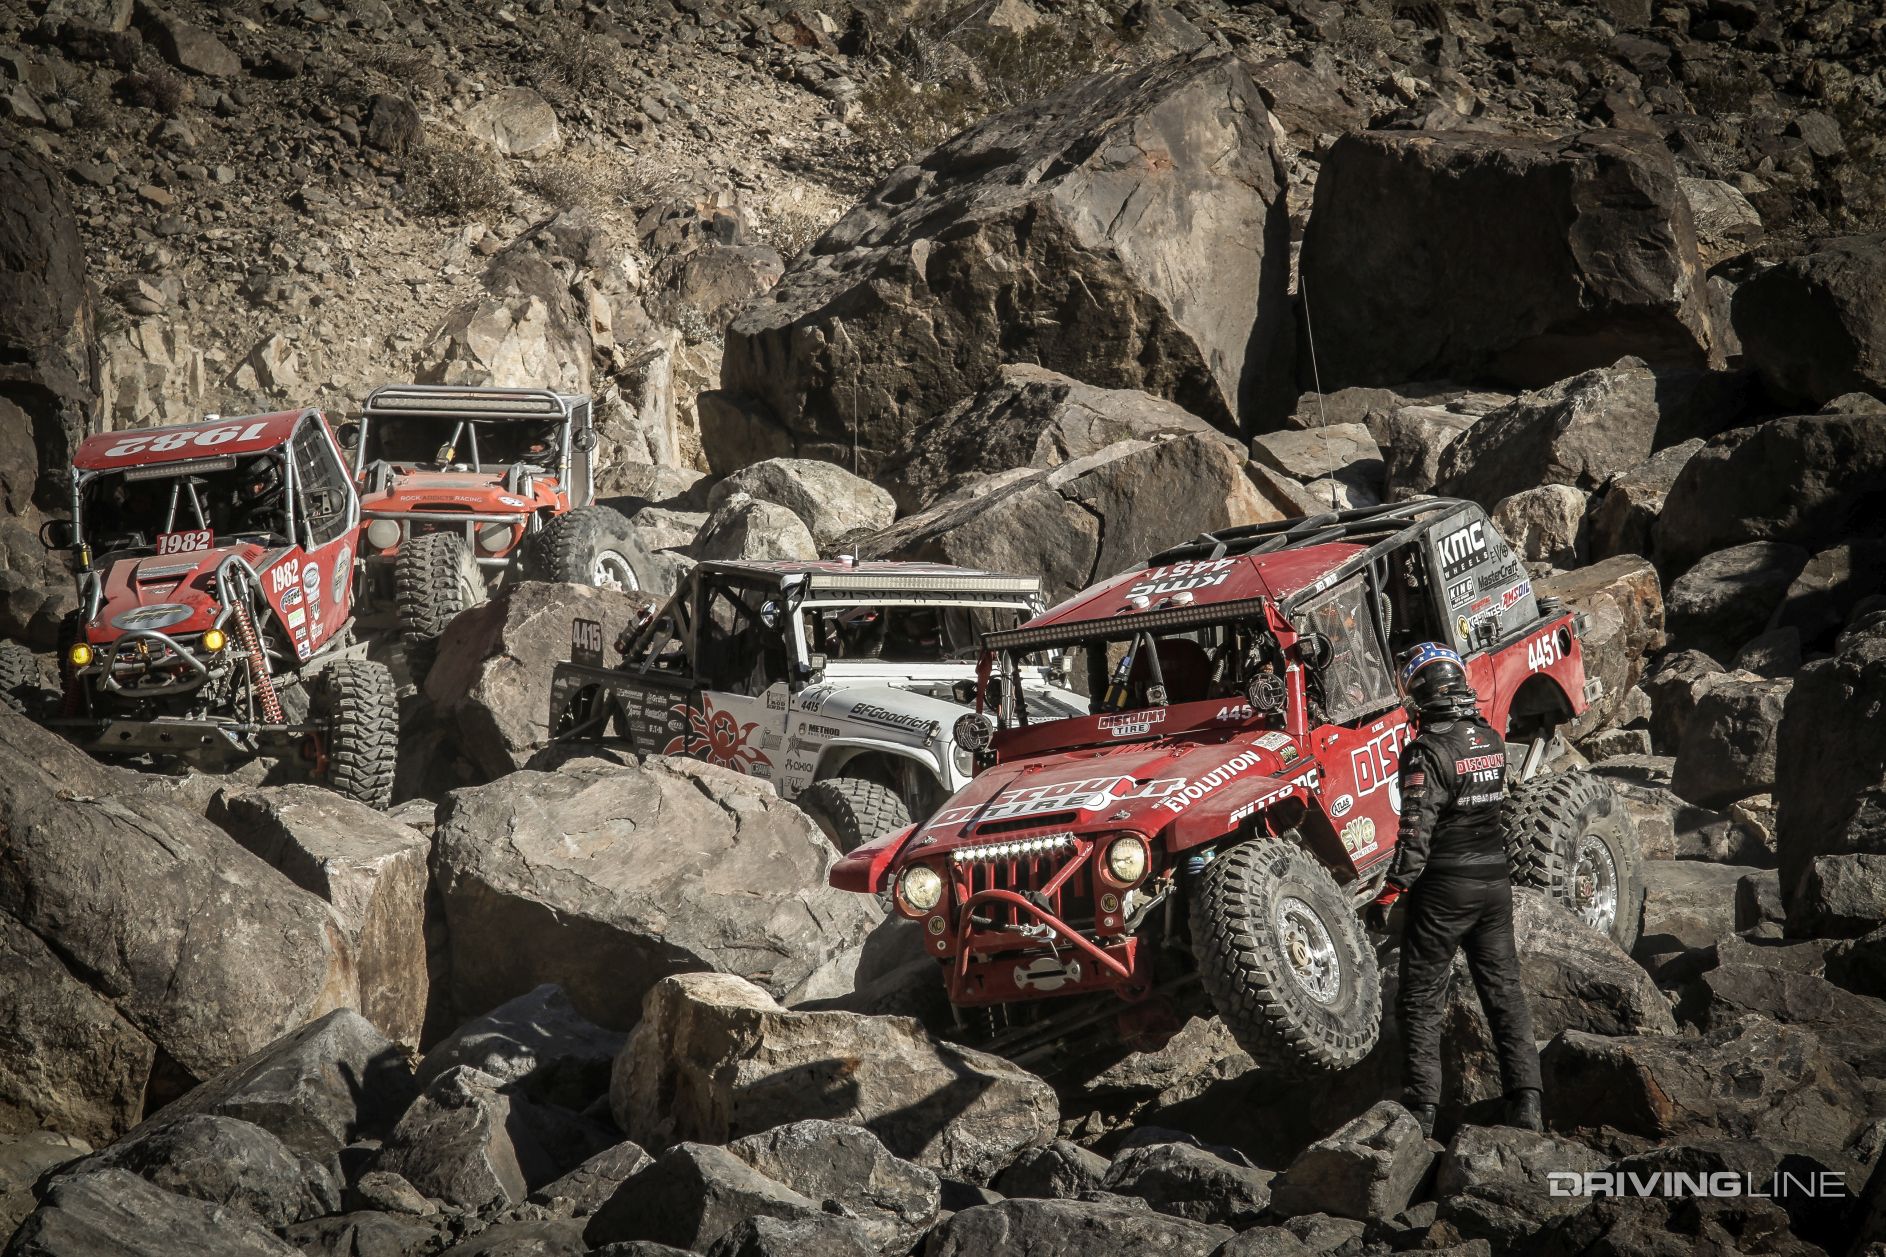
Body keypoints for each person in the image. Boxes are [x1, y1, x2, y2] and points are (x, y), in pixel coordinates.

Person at [1365, 642, 1541, 1139]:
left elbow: (1415, 835)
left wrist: (1389, 893)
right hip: (1495, 884)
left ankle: (1421, 1115)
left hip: (1444, 889)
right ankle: (1527, 1102)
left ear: (1417, 694)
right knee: (1504, 993)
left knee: (1419, 999)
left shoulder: (1426, 750)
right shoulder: (1488, 736)